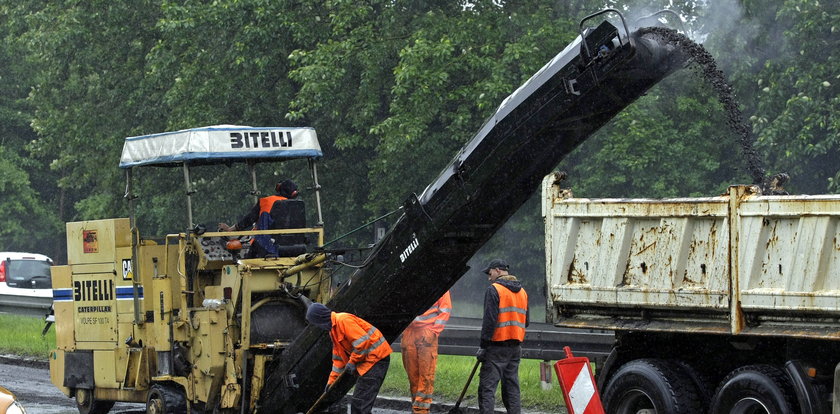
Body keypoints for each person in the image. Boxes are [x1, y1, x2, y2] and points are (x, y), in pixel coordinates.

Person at [306, 303, 392, 414]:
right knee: (360, 405)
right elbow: (338, 359)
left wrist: (352, 362)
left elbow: (362, 342)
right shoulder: (333, 330)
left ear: (320, 318)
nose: (317, 326)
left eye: (316, 323)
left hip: (376, 360)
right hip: (371, 361)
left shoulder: (343, 320)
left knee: (360, 406)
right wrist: (331, 382)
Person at [476, 259, 528, 414]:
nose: (488, 277)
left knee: (487, 388)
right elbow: (527, 321)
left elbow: (489, 321)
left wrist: (483, 347)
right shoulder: (523, 292)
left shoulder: (494, 290)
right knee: (511, 388)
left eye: (489, 273)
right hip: (515, 347)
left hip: (496, 347)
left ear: (498, 271)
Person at [219, 179, 304, 257]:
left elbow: (248, 220)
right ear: (294, 194)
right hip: (295, 248)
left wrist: (230, 230)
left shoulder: (266, 201)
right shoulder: (297, 206)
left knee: (247, 262)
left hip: (267, 248)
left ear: (279, 189)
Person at [402, 291, 452, 414]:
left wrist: (434, 331)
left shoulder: (441, 286)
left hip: (426, 332)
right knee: (413, 375)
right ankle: (417, 406)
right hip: (409, 333)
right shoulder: (411, 284)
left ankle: (421, 410)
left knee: (425, 374)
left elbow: (445, 310)